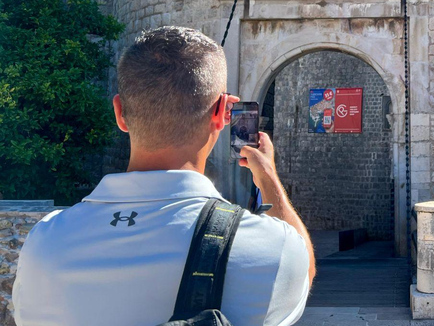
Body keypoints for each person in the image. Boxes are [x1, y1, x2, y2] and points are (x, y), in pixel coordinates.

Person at [12, 26, 315, 326]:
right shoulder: (271, 250)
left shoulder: (44, 245)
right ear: (223, 113)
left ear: (120, 113)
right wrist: (268, 178)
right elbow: (302, 269)